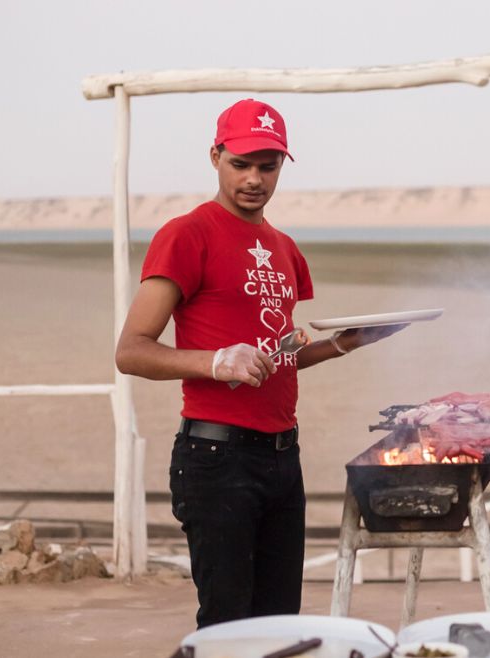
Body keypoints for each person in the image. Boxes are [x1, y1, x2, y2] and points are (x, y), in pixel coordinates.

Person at [114, 98, 403, 627]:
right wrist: (217, 362)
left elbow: (278, 358)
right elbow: (131, 350)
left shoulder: (285, 248)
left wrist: (347, 342)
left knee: (278, 624)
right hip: (216, 457)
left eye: (267, 167)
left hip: (282, 457)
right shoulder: (187, 234)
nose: (254, 179)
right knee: (227, 629)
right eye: (240, 164)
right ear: (215, 156)